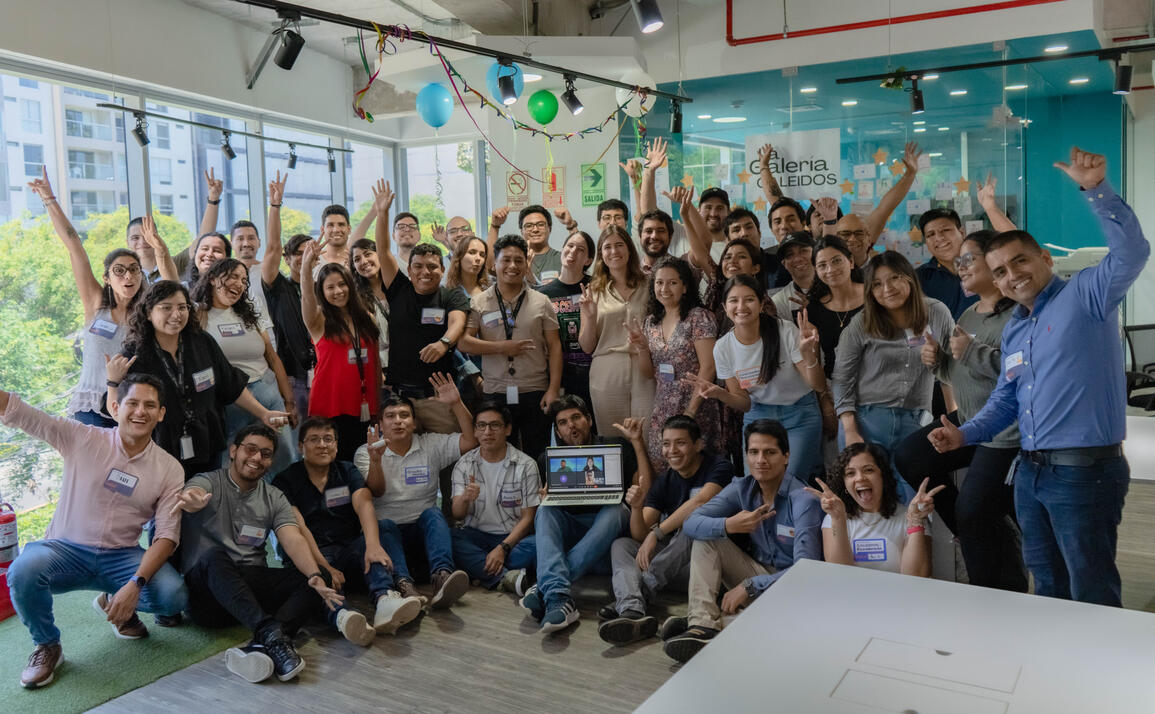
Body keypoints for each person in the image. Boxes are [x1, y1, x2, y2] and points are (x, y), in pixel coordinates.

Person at [929, 147, 1148, 607]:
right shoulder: (1016, 329)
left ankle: (1097, 653)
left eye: (1020, 262)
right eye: (1000, 272)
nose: (1012, 276)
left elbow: (1131, 253)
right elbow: (1006, 401)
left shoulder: (1085, 296)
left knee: (1089, 587)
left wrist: (1096, 189)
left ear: (1045, 258)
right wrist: (964, 434)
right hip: (1029, 472)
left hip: (1084, 472)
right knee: (1046, 583)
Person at [4, 374, 187, 689]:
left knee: (174, 596)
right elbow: (23, 413)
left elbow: (167, 536)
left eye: (149, 405)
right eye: (132, 403)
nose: (140, 412)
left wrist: (135, 584)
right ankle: (47, 645)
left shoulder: (169, 468)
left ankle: (113, 599)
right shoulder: (81, 437)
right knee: (23, 571)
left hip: (122, 557)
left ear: (161, 414)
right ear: (115, 407)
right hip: (64, 552)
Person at [893, 230, 1027, 592]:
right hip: (968, 419)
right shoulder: (969, 313)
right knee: (910, 457)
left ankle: (999, 577)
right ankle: (986, 533)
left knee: (975, 511)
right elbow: (959, 372)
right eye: (959, 261)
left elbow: (1019, 374)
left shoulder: (1018, 315)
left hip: (1005, 430)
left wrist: (971, 353)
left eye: (969, 259)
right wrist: (937, 361)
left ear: (994, 263)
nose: (961, 266)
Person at [176, 425, 356, 684]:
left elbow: (292, 538)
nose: (257, 458)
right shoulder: (209, 481)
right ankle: (271, 633)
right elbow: (193, 491)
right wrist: (191, 498)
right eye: (250, 449)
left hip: (251, 590)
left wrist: (314, 574)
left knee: (317, 576)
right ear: (234, 451)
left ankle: (262, 646)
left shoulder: (273, 496)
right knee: (214, 556)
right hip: (208, 596)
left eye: (266, 454)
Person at [662, 419, 821, 663]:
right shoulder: (741, 487)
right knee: (707, 539)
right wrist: (728, 525)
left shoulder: (803, 499)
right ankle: (703, 625)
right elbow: (691, 523)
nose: (760, 460)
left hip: (795, 588)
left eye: (770, 452)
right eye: (754, 452)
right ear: (746, 456)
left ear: (786, 457)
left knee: (785, 627)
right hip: (758, 575)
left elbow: (806, 570)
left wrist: (750, 585)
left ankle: (708, 623)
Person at [28, 168, 165, 427]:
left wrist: (159, 249)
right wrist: (49, 198)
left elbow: (173, 286)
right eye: (119, 270)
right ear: (107, 278)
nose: (128, 276)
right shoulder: (95, 303)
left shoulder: (148, 313)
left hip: (130, 410)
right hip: (90, 408)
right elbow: (74, 246)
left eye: (134, 269)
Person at [109, 281, 287, 478]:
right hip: (160, 447)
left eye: (182, 307)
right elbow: (117, 411)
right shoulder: (134, 354)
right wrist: (112, 383)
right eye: (166, 308)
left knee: (206, 492)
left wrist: (264, 413)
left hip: (207, 441)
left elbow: (230, 386)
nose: (176, 315)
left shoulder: (202, 341)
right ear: (149, 313)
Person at [272, 417, 424, 636]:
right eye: (314, 439)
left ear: (336, 445)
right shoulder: (284, 480)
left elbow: (364, 504)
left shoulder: (347, 470)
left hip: (346, 551)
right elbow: (298, 528)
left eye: (328, 439)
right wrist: (324, 566)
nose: (322, 445)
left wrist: (373, 545)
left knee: (382, 530)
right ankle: (343, 617)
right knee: (313, 580)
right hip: (309, 556)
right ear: (300, 446)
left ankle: (385, 600)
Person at [600, 415, 734, 646]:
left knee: (694, 526)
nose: (672, 450)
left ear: (698, 444)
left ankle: (638, 593)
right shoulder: (665, 481)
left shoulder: (720, 467)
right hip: (671, 568)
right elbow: (639, 535)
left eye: (680, 443)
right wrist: (636, 507)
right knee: (622, 545)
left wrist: (657, 533)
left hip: (707, 570)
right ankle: (633, 611)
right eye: (666, 444)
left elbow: (700, 502)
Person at [833, 251, 954, 501]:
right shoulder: (861, 323)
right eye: (877, 284)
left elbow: (951, 372)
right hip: (866, 421)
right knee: (868, 502)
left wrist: (953, 417)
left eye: (894, 278)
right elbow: (843, 379)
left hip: (915, 422)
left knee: (915, 501)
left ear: (909, 277)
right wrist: (850, 430)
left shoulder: (937, 312)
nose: (887, 289)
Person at [519, 398, 646, 634]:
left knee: (618, 509)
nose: (571, 425)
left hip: (607, 539)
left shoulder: (616, 446)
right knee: (545, 509)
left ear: (589, 419)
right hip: (575, 537)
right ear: (558, 431)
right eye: (563, 423)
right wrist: (547, 497)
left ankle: (547, 588)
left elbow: (645, 488)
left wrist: (637, 442)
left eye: (576, 417)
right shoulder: (547, 459)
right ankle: (557, 594)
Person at [354, 378, 476, 610]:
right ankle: (404, 586)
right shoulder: (365, 452)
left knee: (434, 514)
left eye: (404, 415)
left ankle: (442, 578)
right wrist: (376, 461)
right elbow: (376, 491)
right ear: (380, 424)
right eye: (390, 416)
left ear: (414, 422)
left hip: (423, 536)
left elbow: (470, 441)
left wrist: (456, 403)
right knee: (385, 525)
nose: (398, 421)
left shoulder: (430, 444)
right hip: (388, 539)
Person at [696, 275, 826, 484]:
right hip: (759, 414)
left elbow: (818, 386)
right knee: (756, 483)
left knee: (790, 483)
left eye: (749, 299)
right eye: (734, 300)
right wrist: (720, 394)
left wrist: (809, 355)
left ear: (761, 303)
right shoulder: (722, 347)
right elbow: (745, 403)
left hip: (800, 413)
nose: (741, 307)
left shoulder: (785, 330)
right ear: (725, 307)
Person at [375, 180, 470, 433]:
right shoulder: (398, 289)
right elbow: (382, 251)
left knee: (447, 452)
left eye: (432, 267)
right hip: (400, 398)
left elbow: (458, 322)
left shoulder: (451, 294)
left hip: (438, 397)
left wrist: (444, 343)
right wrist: (382, 213)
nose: (424, 272)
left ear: (442, 269)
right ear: (409, 269)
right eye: (418, 266)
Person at [192, 258, 297, 474]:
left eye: (243, 280)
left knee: (283, 456)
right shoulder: (198, 315)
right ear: (212, 279)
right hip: (229, 400)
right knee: (235, 462)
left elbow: (272, 357)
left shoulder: (249, 313)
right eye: (233, 277)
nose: (239, 284)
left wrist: (288, 401)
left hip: (267, 391)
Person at [460, 234, 562, 457]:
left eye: (519, 260)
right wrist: (502, 347)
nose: (512, 266)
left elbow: (555, 346)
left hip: (535, 390)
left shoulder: (542, 301)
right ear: (494, 265)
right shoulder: (479, 302)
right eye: (506, 260)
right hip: (495, 391)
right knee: (498, 454)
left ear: (526, 264)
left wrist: (553, 389)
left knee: (537, 454)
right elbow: (464, 342)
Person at [626, 256, 722, 469]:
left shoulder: (698, 317)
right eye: (659, 283)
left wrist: (690, 412)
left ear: (685, 287)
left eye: (672, 283)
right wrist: (642, 348)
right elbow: (649, 374)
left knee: (697, 468)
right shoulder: (650, 322)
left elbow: (709, 367)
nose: (664, 289)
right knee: (662, 466)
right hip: (663, 408)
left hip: (696, 405)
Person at [300, 241, 381, 462]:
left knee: (362, 460)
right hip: (330, 403)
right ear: (322, 291)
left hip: (363, 403)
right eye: (330, 287)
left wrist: (377, 405)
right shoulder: (318, 320)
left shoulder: (367, 318)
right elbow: (306, 296)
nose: (338, 291)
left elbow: (374, 363)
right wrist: (307, 265)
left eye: (342, 284)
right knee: (331, 463)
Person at [807, 442, 940, 576]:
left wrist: (915, 522)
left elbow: (916, 577)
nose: (860, 478)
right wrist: (838, 519)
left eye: (868, 470)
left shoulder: (911, 515)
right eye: (850, 473)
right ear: (844, 484)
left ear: (883, 476)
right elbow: (839, 574)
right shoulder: (834, 517)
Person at [450, 402, 540, 593]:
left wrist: (502, 548)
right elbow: (457, 514)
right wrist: (465, 498)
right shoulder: (464, 464)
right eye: (481, 425)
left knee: (540, 543)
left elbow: (528, 518)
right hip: (476, 536)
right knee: (449, 538)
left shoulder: (526, 465)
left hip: (513, 539)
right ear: (475, 431)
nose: (487, 432)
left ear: (508, 429)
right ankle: (506, 577)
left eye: (495, 425)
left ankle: (481, 570)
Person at [578, 225, 655, 438]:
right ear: (601, 254)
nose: (614, 251)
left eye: (619, 245)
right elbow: (586, 346)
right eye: (607, 247)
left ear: (629, 249)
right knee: (613, 437)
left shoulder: (649, 285)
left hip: (644, 365)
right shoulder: (593, 290)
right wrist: (590, 317)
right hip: (607, 367)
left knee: (647, 433)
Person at [261, 232, 316, 436]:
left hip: (322, 373)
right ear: (287, 259)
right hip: (293, 376)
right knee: (297, 435)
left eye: (309, 252)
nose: (305, 257)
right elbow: (273, 248)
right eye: (299, 253)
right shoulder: (278, 287)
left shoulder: (323, 288)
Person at [834, 142, 923, 268]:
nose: (852, 239)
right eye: (845, 234)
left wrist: (909, 175)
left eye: (859, 233)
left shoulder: (873, 267)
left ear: (868, 237)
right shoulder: (828, 263)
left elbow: (886, 207)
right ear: (836, 238)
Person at [536, 231, 596, 416]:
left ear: (588, 260)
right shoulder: (543, 294)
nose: (573, 252)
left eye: (581, 249)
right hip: (558, 374)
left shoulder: (596, 287)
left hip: (592, 371)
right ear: (562, 249)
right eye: (570, 246)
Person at [804, 236, 865, 379]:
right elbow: (815, 366)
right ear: (816, 270)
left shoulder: (874, 294)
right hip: (837, 384)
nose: (830, 269)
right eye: (822, 265)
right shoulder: (813, 310)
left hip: (879, 382)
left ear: (851, 261)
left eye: (836, 261)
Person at [915, 207, 978, 319]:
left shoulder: (983, 264)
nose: (939, 238)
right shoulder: (919, 278)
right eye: (930, 235)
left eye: (945, 230)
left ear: (962, 233)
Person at [348, 237, 392, 382]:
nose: (364, 261)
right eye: (357, 259)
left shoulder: (398, 287)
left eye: (367, 254)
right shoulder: (354, 299)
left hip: (404, 362)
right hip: (376, 369)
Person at [770, 232, 817, 319]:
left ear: (816, 253)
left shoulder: (835, 286)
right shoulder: (779, 302)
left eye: (803, 251)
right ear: (784, 264)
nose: (797, 259)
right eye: (790, 255)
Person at [318, 204, 353, 269]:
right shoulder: (314, 261)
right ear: (322, 230)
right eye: (330, 225)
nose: (336, 230)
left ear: (349, 229)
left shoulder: (357, 261)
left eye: (341, 224)